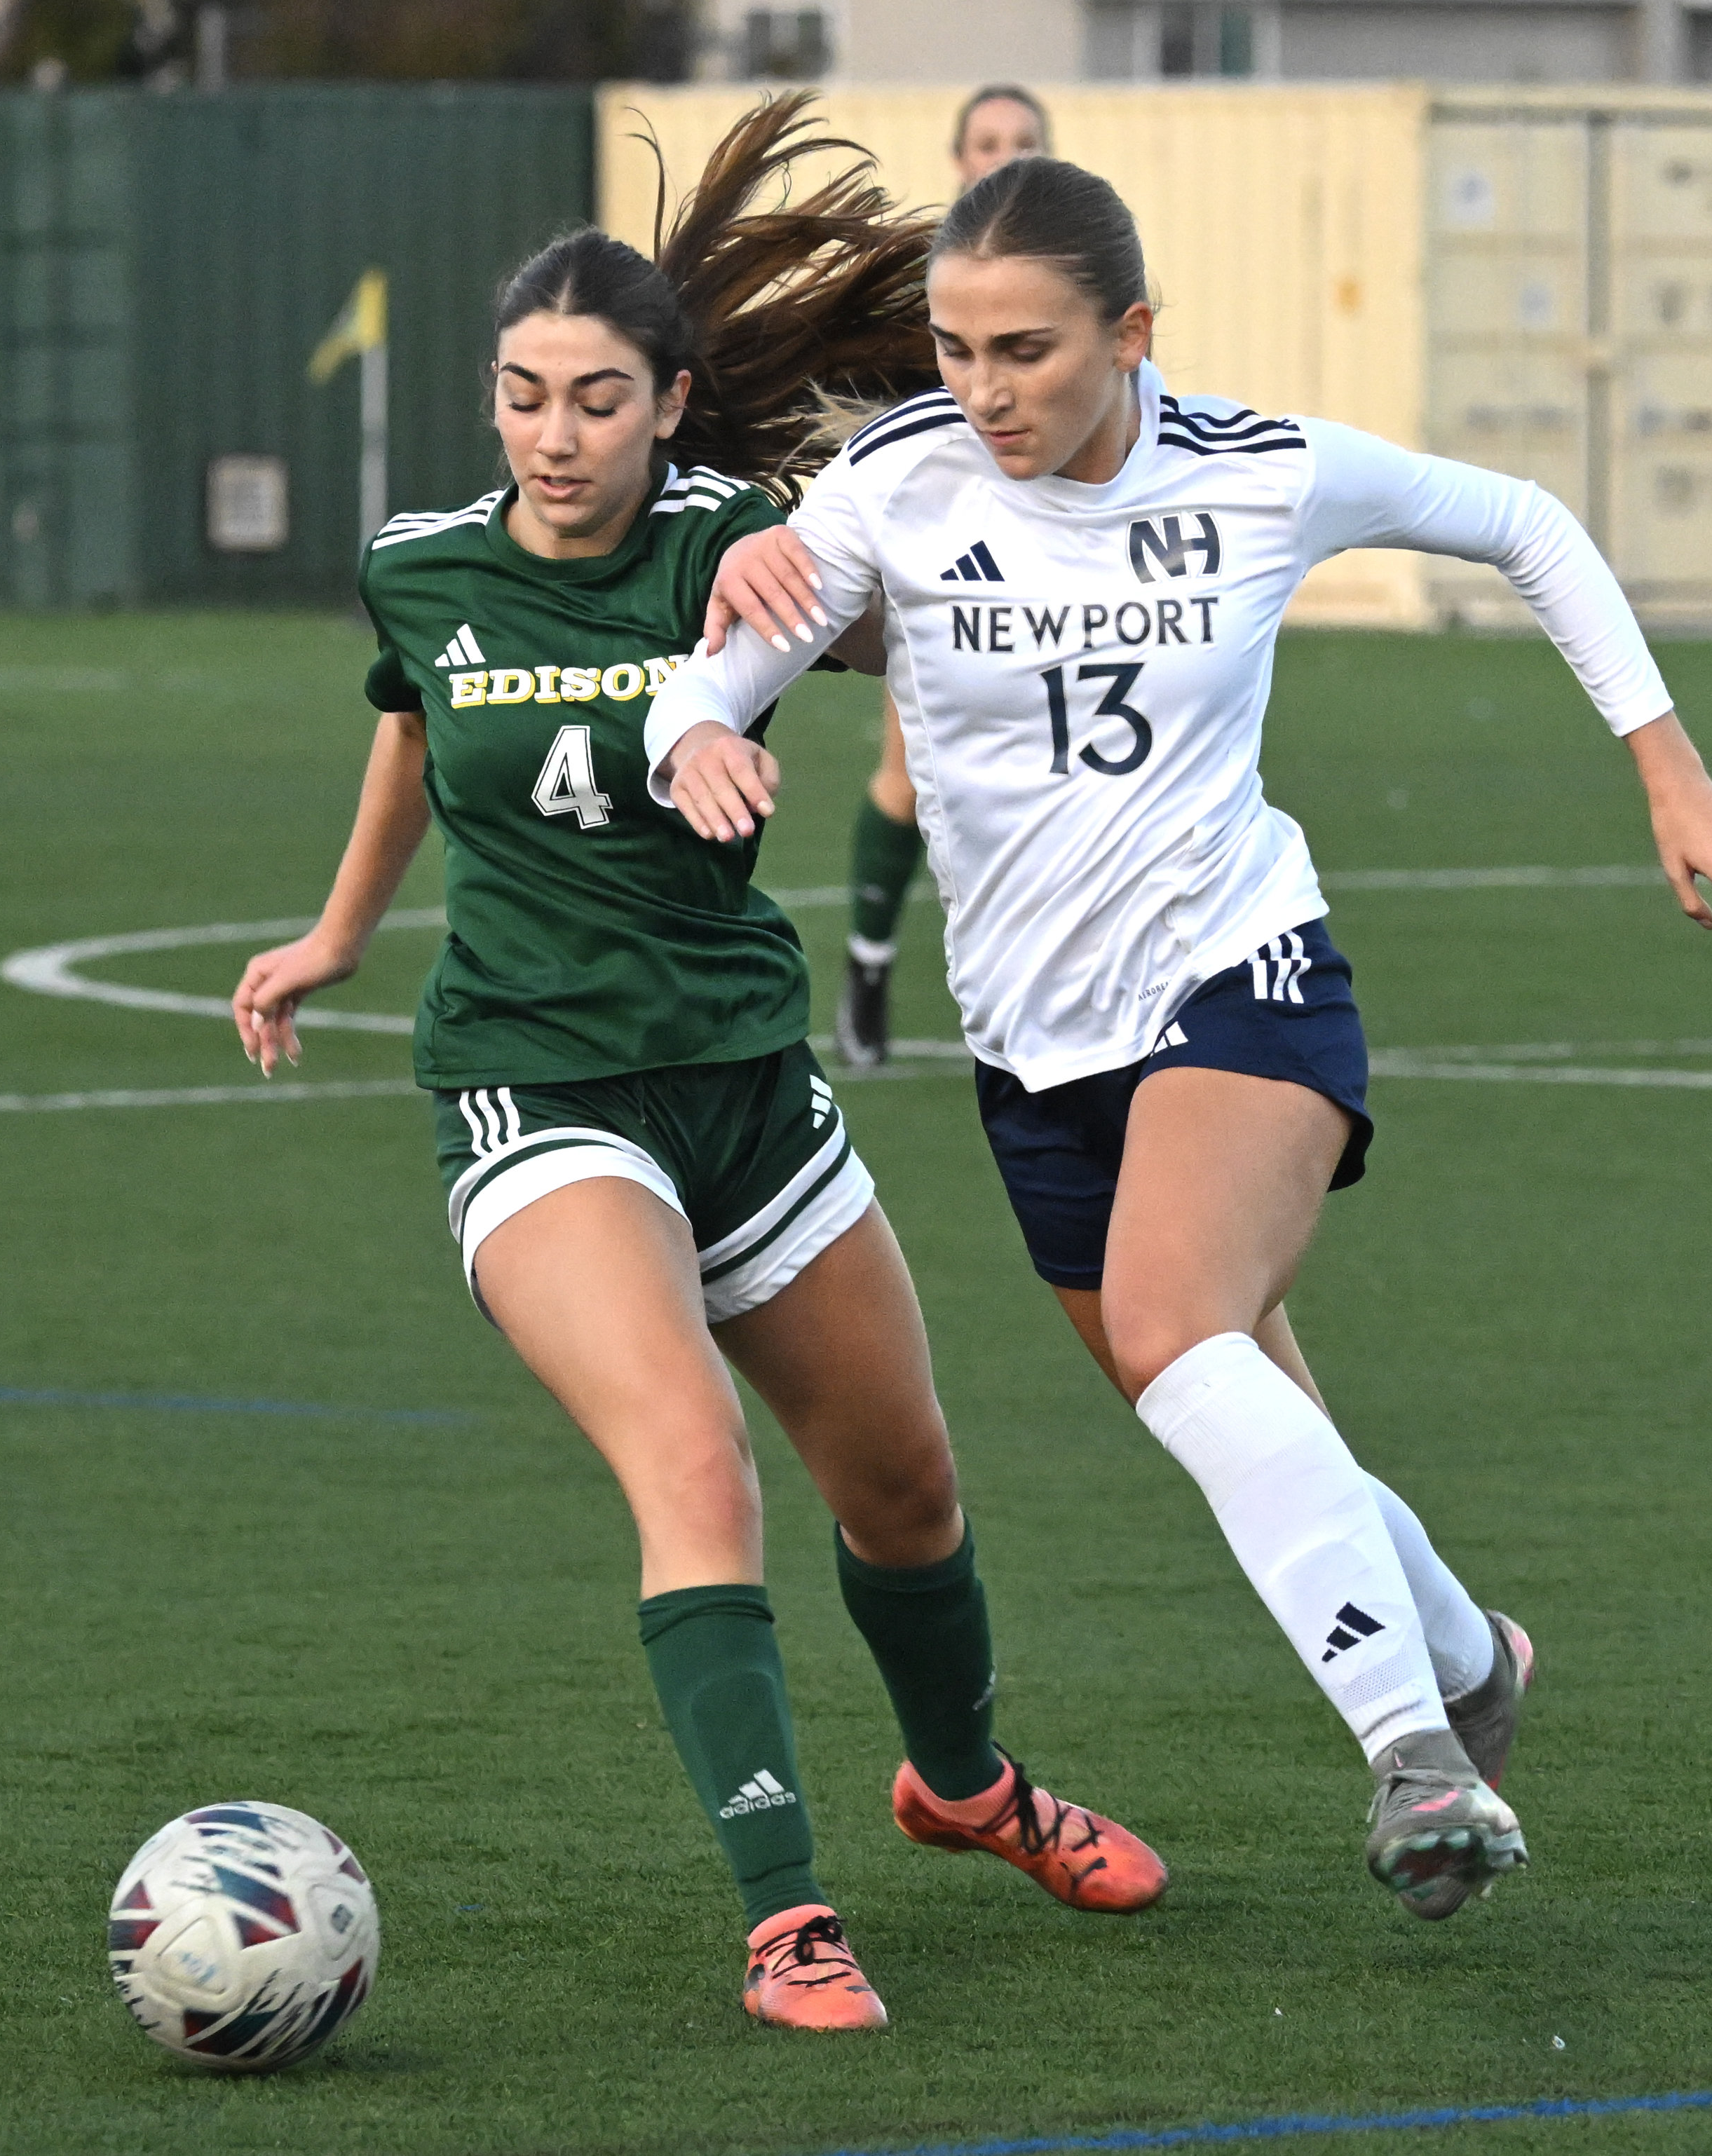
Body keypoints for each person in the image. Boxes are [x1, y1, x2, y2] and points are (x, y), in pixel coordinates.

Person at [648, 155, 1712, 1920]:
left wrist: (1670, 767)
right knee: (1231, 1407)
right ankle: (1467, 1655)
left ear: (1130, 332)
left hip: (1237, 974)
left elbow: (1523, 524)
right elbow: (720, 667)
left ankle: (1417, 1757)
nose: (981, 389)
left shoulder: (1261, 470)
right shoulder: (893, 484)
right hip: (1031, 1055)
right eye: (952, 348)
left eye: (1024, 349)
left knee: (1177, 1329)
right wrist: (697, 732)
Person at [228, 106, 1164, 2033]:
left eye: (595, 400)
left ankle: (965, 1786)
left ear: (668, 407)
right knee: (691, 1459)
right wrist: (338, 931)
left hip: (744, 1077)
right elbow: (413, 729)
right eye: (521, 396)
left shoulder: (735, 548)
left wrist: (773, 689)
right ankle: (785, 1912)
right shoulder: (421, 567)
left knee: (905, 1485)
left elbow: (904, 619)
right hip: (534, 1084)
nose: (551, 435)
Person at [836, 83, 1053, 1069]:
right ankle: (868, 967)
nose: (1006, 155)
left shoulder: (1088, 279)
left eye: (1024, 140)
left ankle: (1059, 988)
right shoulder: (928, 285)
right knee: (915, 776)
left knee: (1063, 769)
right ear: (959, 160)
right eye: (988, 141)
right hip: (943, 565)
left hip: (1060, 564)